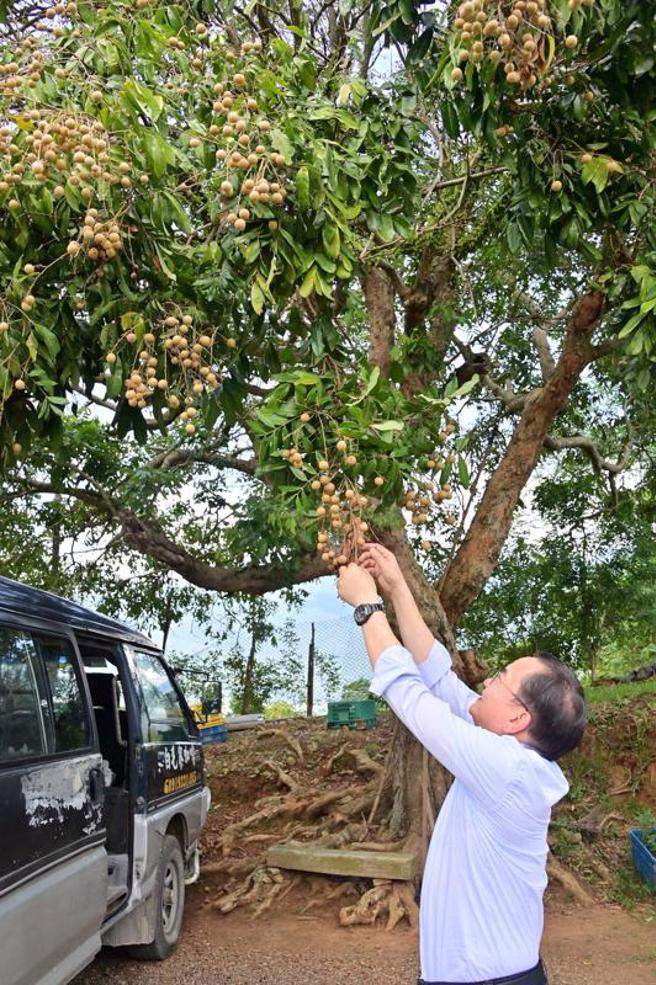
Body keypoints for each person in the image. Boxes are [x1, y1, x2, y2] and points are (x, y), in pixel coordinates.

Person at [337, 543, 587, 985]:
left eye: (501, 678)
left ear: (517, 718)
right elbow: (438, 678)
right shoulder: (510, 755)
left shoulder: (506, 768)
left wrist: (366, 607)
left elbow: (409, 694)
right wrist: (396, 587)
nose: (487, 679)